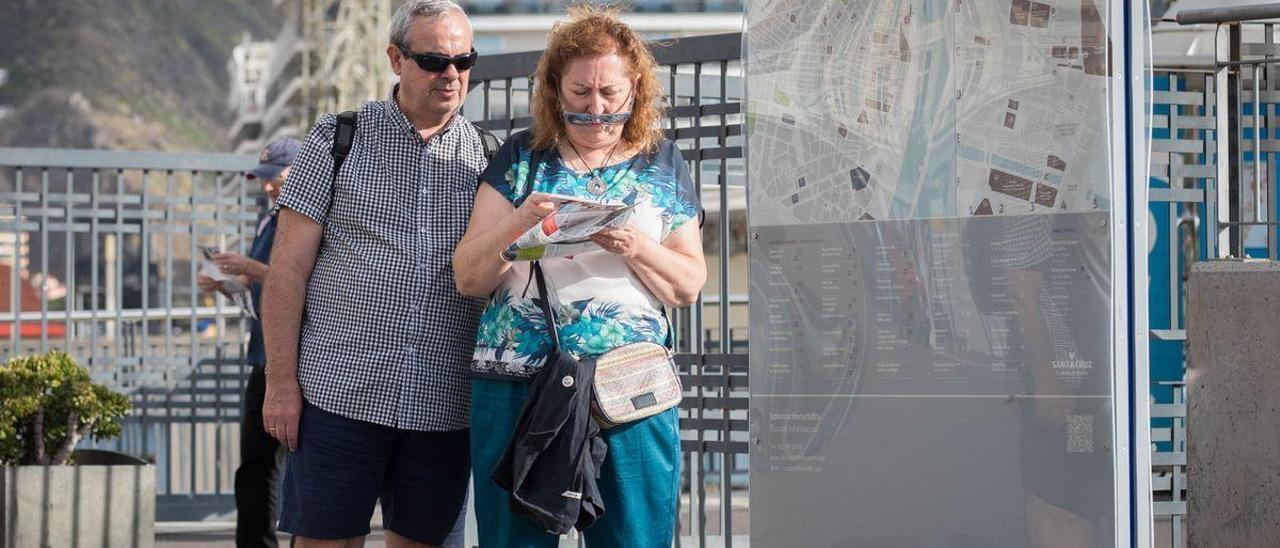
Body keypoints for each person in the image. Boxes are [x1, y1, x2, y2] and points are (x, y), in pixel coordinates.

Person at [452, 6, 706, 547]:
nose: (596, 108)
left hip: (629, 385)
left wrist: (635, 246)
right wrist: (524, 222)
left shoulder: (662, 161)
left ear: (635, 86)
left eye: (610, 94)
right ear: (554, 90)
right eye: (580, 94)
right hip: (518, 382)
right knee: (512, 539)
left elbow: (687, 284)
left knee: (637, 538)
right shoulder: (523, 158)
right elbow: (469, 276)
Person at [259, 1, 486, 546]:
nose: (451, 74)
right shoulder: (338, 139)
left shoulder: (487, 158)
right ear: (395, 59)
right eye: (433, 60)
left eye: (463, 60)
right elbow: (286, 270)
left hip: (444, 405)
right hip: (340, 397)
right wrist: (280, 383)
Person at [199, 136, 298, 548]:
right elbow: (260, 293)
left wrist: (249, 267)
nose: (268, 186)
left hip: (293, 355)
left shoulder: (300, 219)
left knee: (288, 464)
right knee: (255, 465)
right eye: (264, 179)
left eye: (275, 177)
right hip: (264, 352)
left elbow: (292, 278)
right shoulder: (269, 218)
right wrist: (224, 285)